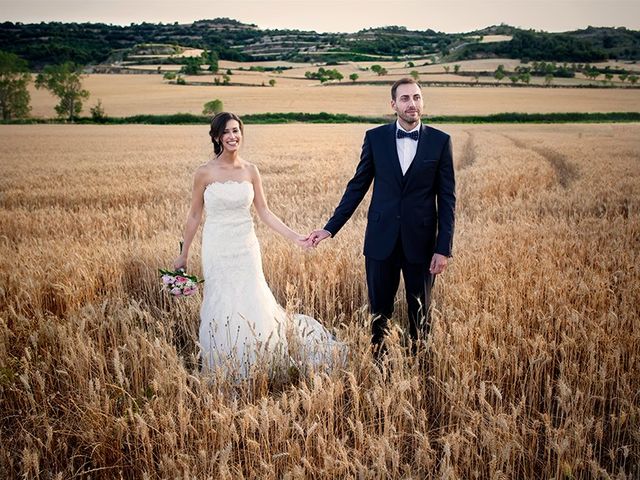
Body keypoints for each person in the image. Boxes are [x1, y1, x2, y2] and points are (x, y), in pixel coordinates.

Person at [174, 112, 343, 377]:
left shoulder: (251, 170)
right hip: (217, 247)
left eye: (236, 131)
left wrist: (295, 237)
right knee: (220, 300)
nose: (233, 137)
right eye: (227, 132)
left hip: (246, 246)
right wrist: (183, 255)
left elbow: (264, 212)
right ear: (217, 137)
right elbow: (194, 215)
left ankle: (262, 360)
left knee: (252, 295)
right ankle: (224, 365)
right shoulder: (204, 173)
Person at [307, 78, 455, 355]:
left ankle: (419, 368)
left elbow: (447, 199)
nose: (412, 104)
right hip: (380, 241)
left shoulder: (440, 142)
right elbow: (357, 186)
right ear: (393, 104)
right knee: (379, 314)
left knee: (420, 313)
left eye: (417, 97)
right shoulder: (375, 138)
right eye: (405, 98)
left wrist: (443, 248)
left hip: (421, 244)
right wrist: (330, 228)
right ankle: (379, 367)